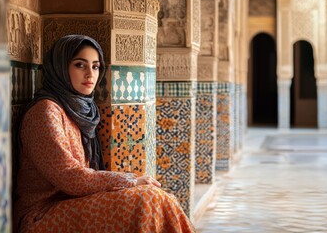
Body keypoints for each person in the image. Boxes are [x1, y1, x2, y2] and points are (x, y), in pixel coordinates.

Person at [13, 34, 196, 233]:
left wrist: (132, 181)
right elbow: (69, 176)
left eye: (95, 66)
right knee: (146, 200)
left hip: (72, 203)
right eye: (80, 65)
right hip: (41, 215)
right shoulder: (46, 111)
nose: (90, 75)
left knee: (157, 197)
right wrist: (129, 179)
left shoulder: (80, 109)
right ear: (60, 67)